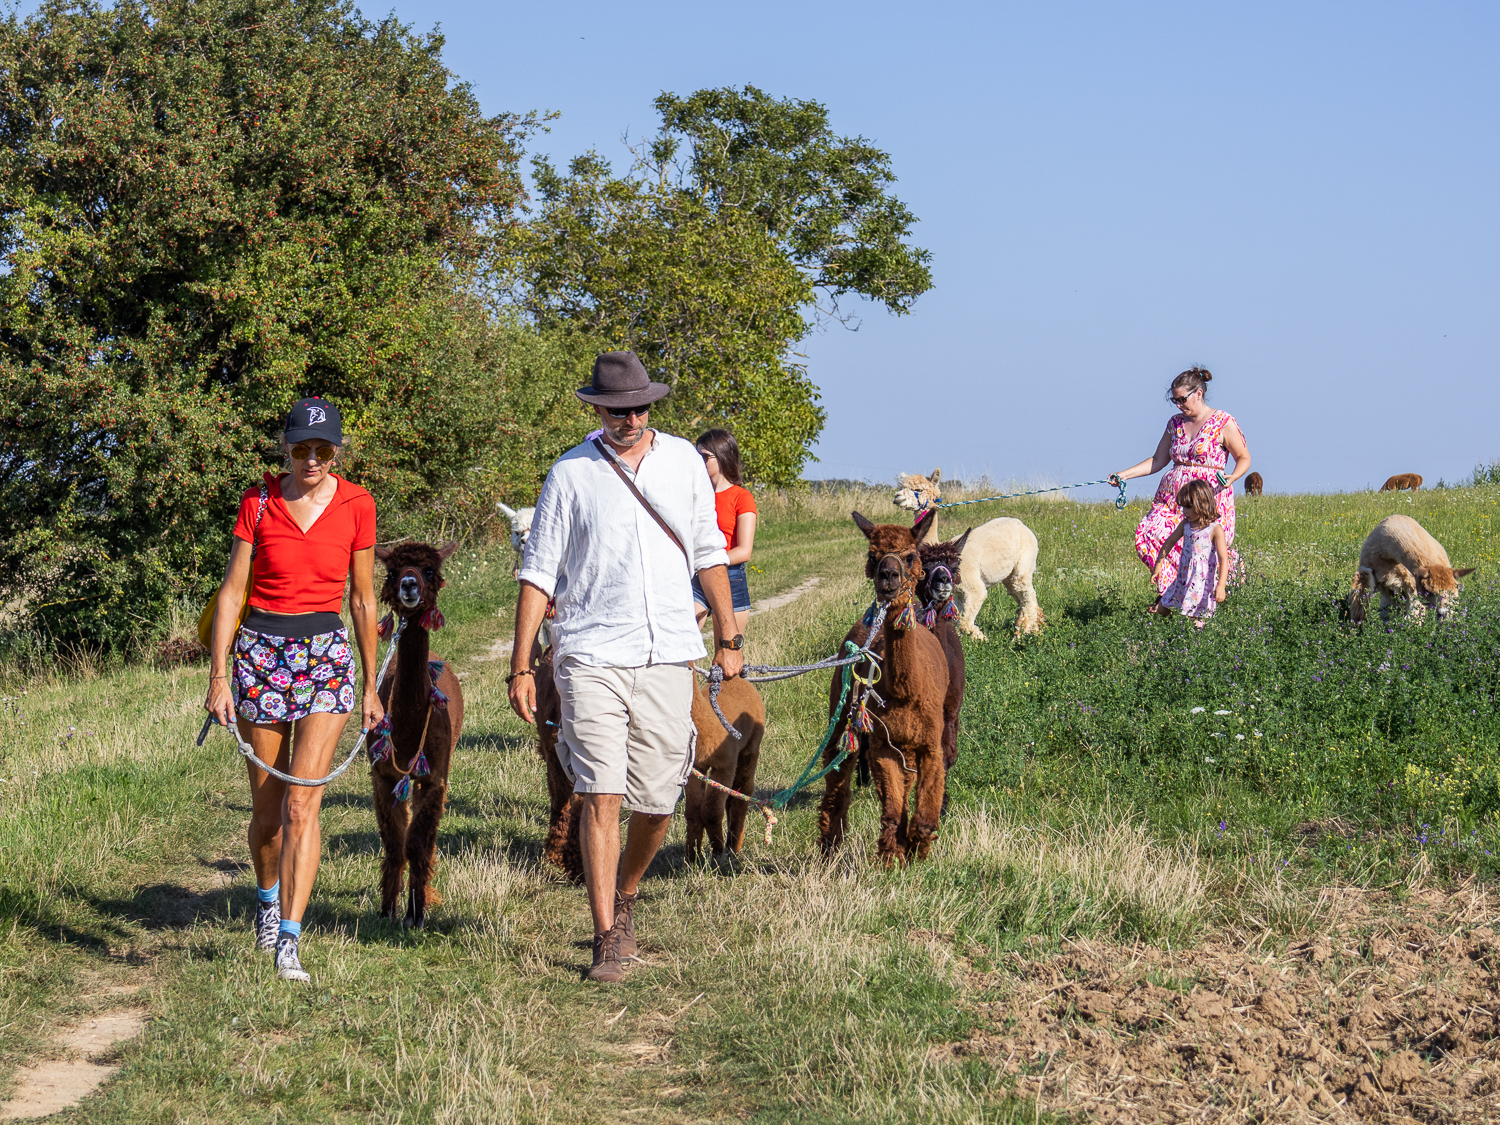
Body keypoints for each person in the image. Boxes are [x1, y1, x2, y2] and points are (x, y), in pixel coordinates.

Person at [507, 351, 744, 984]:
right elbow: (538, 570)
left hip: (668, 648)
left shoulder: (685, 467)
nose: (629, 418)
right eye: (616, 410)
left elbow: (707, 549)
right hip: (589, 652)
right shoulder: (570, 474)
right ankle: (606, 935)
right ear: (596, 410)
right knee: (600, 792)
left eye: (638, 407)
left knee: (662, 795)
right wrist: (521, 665)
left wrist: (727, 631)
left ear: (650, 405)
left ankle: (627, 892)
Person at [203, 398, 382, 984]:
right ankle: (265, 899)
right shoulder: (257, 502)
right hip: (260, 653)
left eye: (322, 450)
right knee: (269, 812)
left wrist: (371, 686)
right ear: (286, 447)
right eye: (301, 448)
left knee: (305, 801)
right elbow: (232, 592)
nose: (311, 459)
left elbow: (361, 598)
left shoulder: (358, 503)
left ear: (336, 452)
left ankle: (289, 938)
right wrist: (219, 676)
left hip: (325, 656)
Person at [1111, 366, 1251, 610]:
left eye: (1182, 399)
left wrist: (1232, 478)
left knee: (1200, 546)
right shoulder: (1174, 423)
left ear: (1198, 393)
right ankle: (1170, 593)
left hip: (1206, 498)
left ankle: (1205, 593)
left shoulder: (1223, 422)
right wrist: (1123, 475)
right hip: (1171, 497)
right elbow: (1158, 460)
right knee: (1150, 532)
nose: (1178, 405)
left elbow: (1244, 458)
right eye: (1174, 400)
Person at [692, 429, 757, 637]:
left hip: (731, 576)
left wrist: (708, 560)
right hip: (698, 575)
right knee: (684, 644)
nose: (698, 462)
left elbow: (744, 551)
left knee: (728, 657)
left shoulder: (742, 497)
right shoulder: (695, 496)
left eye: (704, 457)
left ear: (722, 456)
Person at [1153, 479, 1228, 627]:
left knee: (1197, 621)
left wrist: (1221, 585)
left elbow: (1223, 558)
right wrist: (1158, 564)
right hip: (1182, 579)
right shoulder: (1186, 525)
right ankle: (1171, 634)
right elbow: (1169, 542)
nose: (1184, 511)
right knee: (1162, 609)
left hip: (1201, 582)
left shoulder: (1214, 529)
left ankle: (1193, 644)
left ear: (1202, 505)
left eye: (1188, 507)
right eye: (1182, 507)